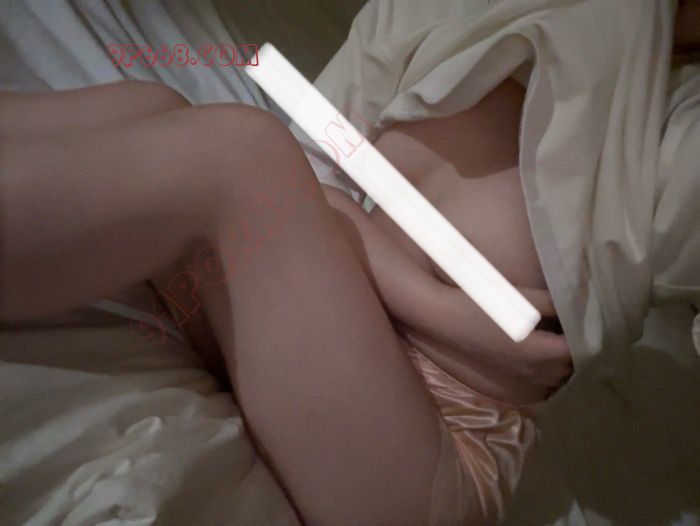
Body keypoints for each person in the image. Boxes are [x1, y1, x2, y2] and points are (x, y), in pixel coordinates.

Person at [2, 1, 696, 525]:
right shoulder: (452, 10)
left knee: (235, 155)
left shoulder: (682, 129)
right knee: (156, 107)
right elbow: (312, 159)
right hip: (323, 314)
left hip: (432, 440)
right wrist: (435, 305)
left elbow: (282, 176)